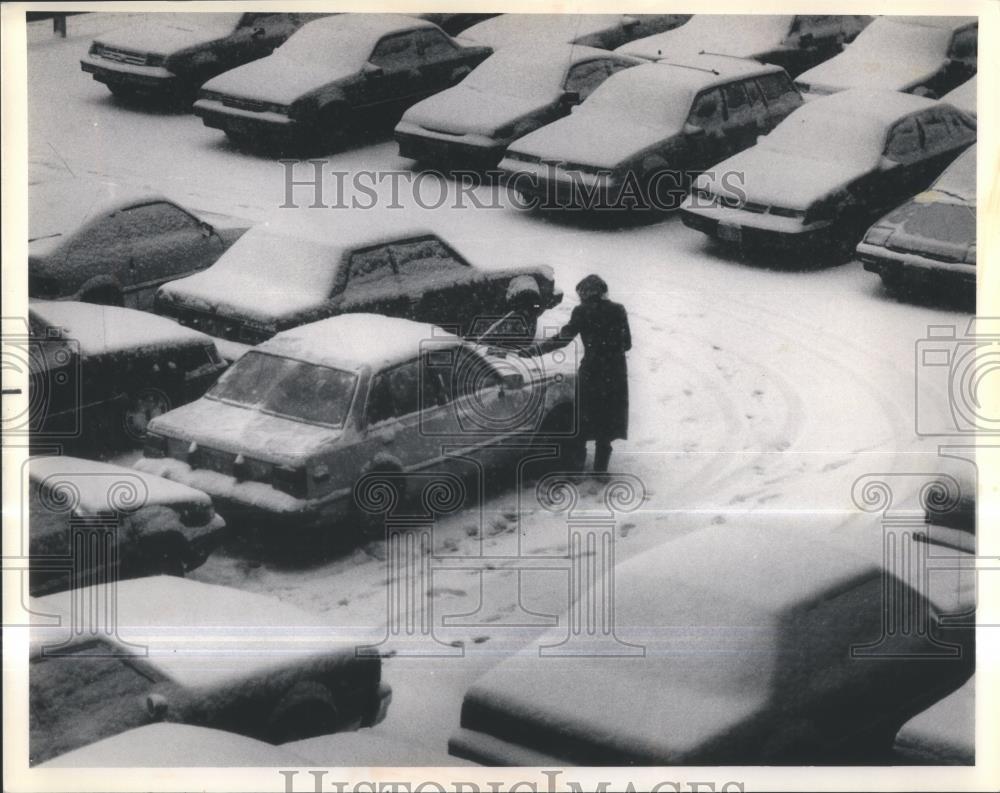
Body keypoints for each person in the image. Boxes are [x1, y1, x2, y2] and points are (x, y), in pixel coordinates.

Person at [521, 274, 631, 474]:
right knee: (606, 423)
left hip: (591, 372)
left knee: (583, 420)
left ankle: (576, 468)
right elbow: (628, 344)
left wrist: (533, 352)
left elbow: (563, 338)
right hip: (614, 374)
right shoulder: (618, 310)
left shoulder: (582, 312)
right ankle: (600, 471)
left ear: (585, 293)